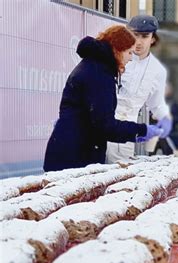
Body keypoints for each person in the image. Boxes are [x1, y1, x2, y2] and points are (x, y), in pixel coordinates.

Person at [43, 25, 162, 172]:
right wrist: (142, 130)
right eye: (129, 53)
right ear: (118, 49)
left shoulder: (95, 66)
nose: (131, 59)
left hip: (71, 152)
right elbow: (105, 125)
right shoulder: (99, 74)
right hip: (75, 159)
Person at [106, 15, 172, 163]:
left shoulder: (158, 71)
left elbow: (156, 103)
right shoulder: (115, 57)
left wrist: (165, 118)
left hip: (127, 135)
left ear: (153, 39)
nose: (139, 41)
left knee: (118, 176)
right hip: (103, 126)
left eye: (144, 36)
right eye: (135, 35)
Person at [152, 83, 178, 155]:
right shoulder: (155, 103)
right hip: (157, 134)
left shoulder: (174, 103)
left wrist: (170, 118)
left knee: (170, 154)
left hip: (171, 134)